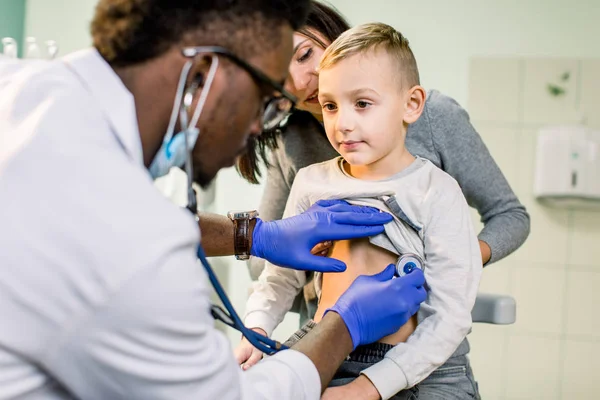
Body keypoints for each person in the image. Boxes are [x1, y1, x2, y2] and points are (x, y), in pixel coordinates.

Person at [0, 1, 429, 399]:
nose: (260, 128)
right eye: (265, 101)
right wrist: (343, 326)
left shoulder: (23, 87)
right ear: (205, 73)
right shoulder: (134, 253)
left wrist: (253, 235)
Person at [240, 2, 530, 398]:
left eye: (362, 104)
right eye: (330, 105)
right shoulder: (307, 175)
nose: (343, 123)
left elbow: (448, 314)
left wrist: (452, 260)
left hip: (423, 365)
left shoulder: (437, 186)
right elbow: (274, 272)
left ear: (412, 105)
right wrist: (257, 324)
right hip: (328, 346)